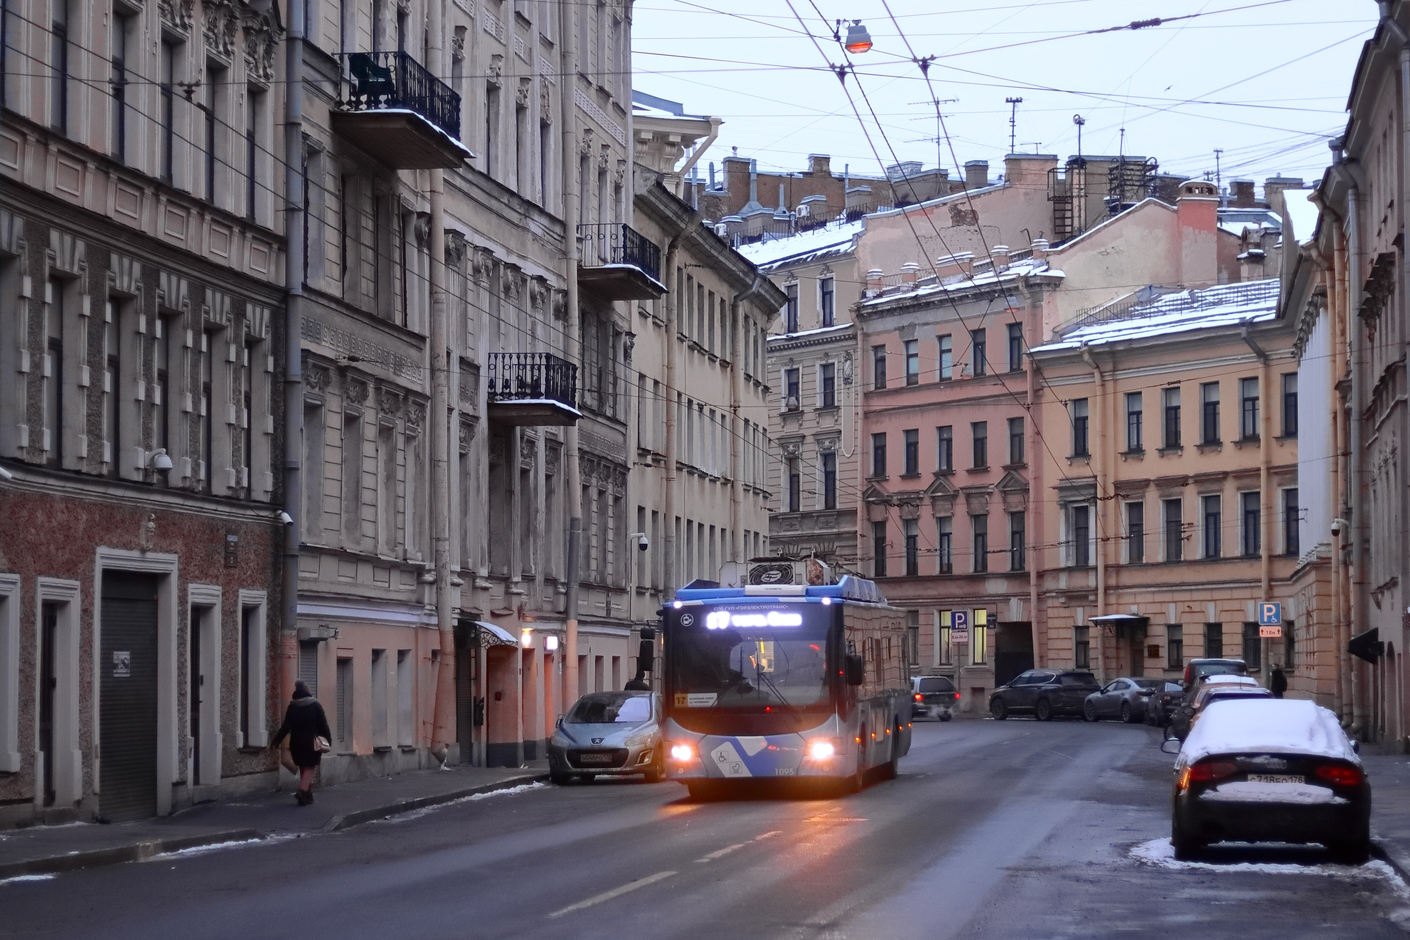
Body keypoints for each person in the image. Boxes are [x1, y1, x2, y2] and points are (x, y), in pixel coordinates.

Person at [270, 680, 333, 806]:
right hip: (311, 742)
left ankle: (307, 796)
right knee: (309, 767)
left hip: (296, 742)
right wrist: (328, 739)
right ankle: (302, 790)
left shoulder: (293, 706)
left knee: (304, 767)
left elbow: (286, 726)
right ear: (307, 691)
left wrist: (277, 740)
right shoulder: (315, 705)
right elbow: (323, 725)